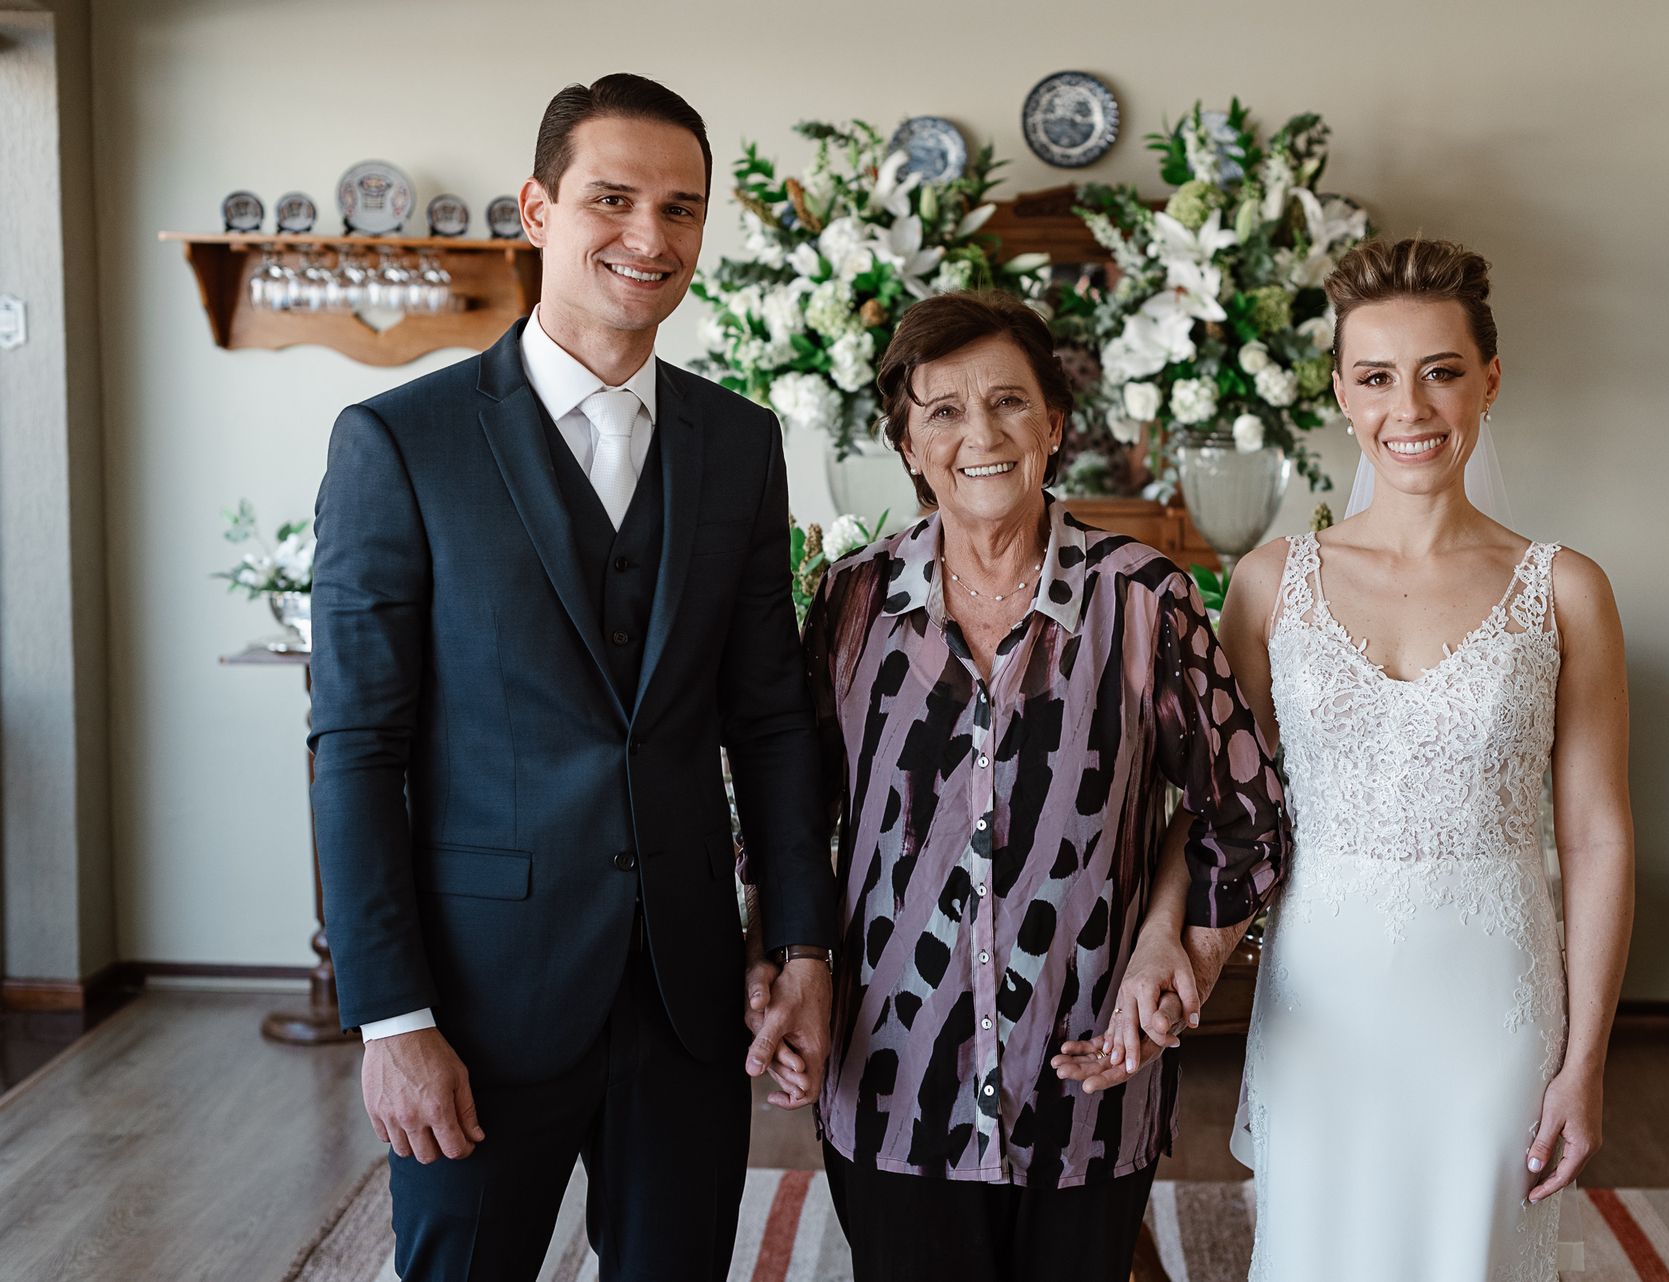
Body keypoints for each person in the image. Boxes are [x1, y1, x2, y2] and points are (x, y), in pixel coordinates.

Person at [307, 73, 836, 1282]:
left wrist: (803, 945)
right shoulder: (399, 442)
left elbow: (769, 721)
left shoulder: (740, 442)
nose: (652, 235)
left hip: (690, 995)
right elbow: (357, 748)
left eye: (682, 208)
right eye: (614, 198)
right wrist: (393, 1018)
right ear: (538, 209)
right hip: (478, 1001)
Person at [1110, 237, 1635, 1280]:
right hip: (1323, 993)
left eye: (1441, 371)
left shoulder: (1566, 589)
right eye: (1378, 377)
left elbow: (1596, 836)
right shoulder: (1270, 583)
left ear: (1489, 379)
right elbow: (1219, 805)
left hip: (1493, 997)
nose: (1412, 407)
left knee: (1470, 1254)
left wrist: (1585, 1061)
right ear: (1342, 393)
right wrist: (1161, 932)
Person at [799, 290, 1290, 1282]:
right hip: (895, 1080)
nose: (980, 434)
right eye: (943, 410)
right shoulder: (852, 602)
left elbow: (1246, 815)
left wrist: (1175, 954)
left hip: (1087, 1083)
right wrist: (786, 970)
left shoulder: (1144, 599)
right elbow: (792, 817)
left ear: (1055, 425)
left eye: (1009, 402)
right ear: (907, 443)